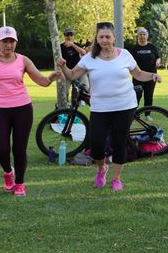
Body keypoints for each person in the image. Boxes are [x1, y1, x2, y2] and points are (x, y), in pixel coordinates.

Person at [56, 22, 161, 192]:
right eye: (101, 37)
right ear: (96, 39)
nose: (104, 40)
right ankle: (101, 169)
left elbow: (138, 74)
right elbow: (73, 75)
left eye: (107, 37)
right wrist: (63, 66)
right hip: (100, 107)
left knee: (119, 142)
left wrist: (153, 76)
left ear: (114, 38)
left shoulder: (125, 54)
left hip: (125, 106)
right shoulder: (90, 57)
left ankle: (116, 179)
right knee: (97, 143)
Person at [0, 26, 62, 196]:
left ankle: (20, 183)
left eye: (11, 41)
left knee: (19, 148)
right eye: (5, 41)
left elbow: (41, 81)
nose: (8, 45)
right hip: (0, 110)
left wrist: (50, 78)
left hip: (22, 109)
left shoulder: (23, 60)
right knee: (1, 149)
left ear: (16, 43)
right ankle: (8, 172)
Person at [130, 28, 161, 114]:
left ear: (147, 36)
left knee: (149, 95)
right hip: (138, 76)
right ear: (138, 36)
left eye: (144, 34)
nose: (142, 36)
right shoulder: (134, 48)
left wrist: (158, 61)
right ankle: (134, 113)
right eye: (140, 34)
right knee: (137, 95)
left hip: (151, 76)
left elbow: (158, 57)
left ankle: (147, 114)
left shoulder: (152, 47)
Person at [60, 28, 88, 102]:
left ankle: (78, 103)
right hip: (66, 72)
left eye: (71, 35)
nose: (69, 37)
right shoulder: (61, 47)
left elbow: (83, 53)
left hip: (78, 71)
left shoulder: (77, 45)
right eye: (67, 35)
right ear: (64, 36)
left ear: (73, 36)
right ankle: (65, 106)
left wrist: (72, 45)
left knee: (86, 87)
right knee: (65, 91)